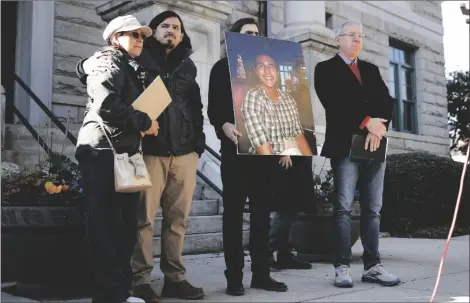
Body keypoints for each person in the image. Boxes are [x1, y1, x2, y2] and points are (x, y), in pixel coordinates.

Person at [77, 11, 205, 302]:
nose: (170, 31)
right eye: (164, 26)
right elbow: (109, 97)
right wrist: (144, 125)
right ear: (155, 32)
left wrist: (198, 141)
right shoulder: (135, 60)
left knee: (177, 220)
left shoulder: (188, 66)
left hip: (183, 151)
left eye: (176, 27)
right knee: (139, 221)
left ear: (182, 35)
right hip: (145, 149)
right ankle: (139, 281)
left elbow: (195, 107)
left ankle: (174, 278)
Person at [75, 15, 158, 303]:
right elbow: (107, 104)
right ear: (115, 38)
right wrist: (145, 121)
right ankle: (110, 294)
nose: (139, 39)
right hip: (102, 151)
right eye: (133, 34)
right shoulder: (107, 60)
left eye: (142, 36)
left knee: (122, 226)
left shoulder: (127, 65)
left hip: (120, 151)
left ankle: (119, 292)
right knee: (107, 225)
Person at [313, 20, 400, 288]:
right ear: (338, 39)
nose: (357, 40)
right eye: (351, 35)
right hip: (344, 147)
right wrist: (366, 121)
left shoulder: (371, 70)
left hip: (374, 146)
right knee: (343, 208)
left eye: (360, 36)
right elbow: (335, 102)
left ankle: (373, 266)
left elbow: (386, 102)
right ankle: (341, 267)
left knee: (373, 210)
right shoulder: (325, 69)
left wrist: (379, 128)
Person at [207, 18, 288, 296]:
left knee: (262, 218)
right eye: (247, 33)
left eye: (256, 33)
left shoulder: (265, 70)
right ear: (234, 36)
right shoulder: (221, 68)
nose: (253, 36)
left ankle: (262, 275)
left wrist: (284, 145)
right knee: (232, 217)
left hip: (265, 156)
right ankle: (234, 278)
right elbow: (214, 108)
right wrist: (223, 125)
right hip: (235, 153)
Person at [241, 54, 313, 156]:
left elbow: (298, 135)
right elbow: (261, 142)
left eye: (271, 66)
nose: (267, 71)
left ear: (278, 72)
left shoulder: (289, 100)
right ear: (256, 71)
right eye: (261, 66)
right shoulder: (253, 97)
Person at [268, 156, 314, 271]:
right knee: (286, 206)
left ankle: (284, 254)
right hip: (288, 154)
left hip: (299, 154)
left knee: (293, 207)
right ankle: (266, 253)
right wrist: (284, 152)